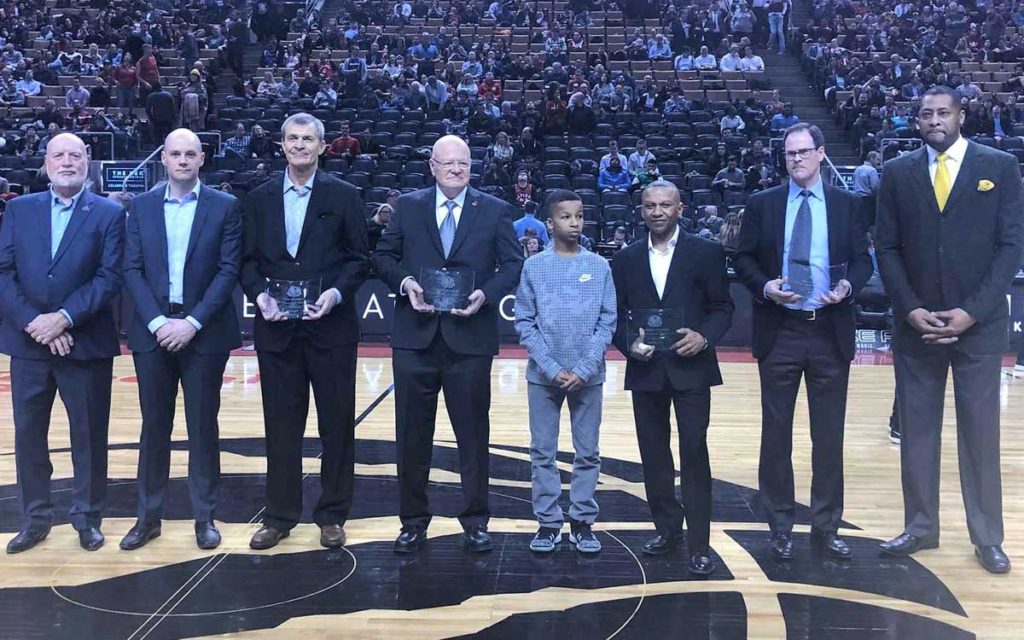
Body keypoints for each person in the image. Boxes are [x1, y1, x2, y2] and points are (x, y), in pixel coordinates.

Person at [875, 86, 1023, 574]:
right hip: (916, 326)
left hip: (977, 329)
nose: (934, 120)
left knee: (980, 434)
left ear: (962, 116)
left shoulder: (999, 166)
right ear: (916, 122)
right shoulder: (896, 173)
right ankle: (920, 527)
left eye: (943, 112)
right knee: (917, 432)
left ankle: (987, 537)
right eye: (925, 114)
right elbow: (888, 249)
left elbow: (1010, 248)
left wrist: (971, 312)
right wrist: (912, 308)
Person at [371, 135, 523, 554]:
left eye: (464, 164)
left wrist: (485, 295)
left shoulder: (493, 210)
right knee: (412, 436)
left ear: (472, 167)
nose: (456, 169)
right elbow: (383, 256)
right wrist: (405, 284)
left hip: (470, 340)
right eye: (448, 163)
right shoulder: (410, 206)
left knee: (473, 437)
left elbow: (513, 264)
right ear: (432, 166)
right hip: (415, 340)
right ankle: (413, 521)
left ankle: (475, 521)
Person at [733, 123, 873, 562]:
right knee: (776, 435)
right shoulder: (763, 204)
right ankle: (779, 525)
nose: (796, 159)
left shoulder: (848, 204)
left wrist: (848, 286)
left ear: (821, 153)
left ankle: (827, 527)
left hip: (829, 330)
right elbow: (742, 258)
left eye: (803, 151)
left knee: (827, 437)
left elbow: (863, 262)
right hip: (782, 330)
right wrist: (765, 287)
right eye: (789, 153)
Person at [241, 113, 371, 550]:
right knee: (280, 425)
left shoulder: (346, 194)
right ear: (282, 145)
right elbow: (246, 261)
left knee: (336, 425)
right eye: (293, 138)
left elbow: (358, 259)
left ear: (322, 146)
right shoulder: (257, 198)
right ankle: (279, 516)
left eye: (308, 139)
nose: (300, 145)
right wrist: (259, 295)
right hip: (276, 331)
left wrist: (335, 294)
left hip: (330, 328)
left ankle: (332, 514)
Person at [0, 134, 126, 554]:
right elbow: (4, 272)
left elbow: (109, 277)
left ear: (88, 162)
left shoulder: (110, 213)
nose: (67, 162)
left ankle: (87, 517)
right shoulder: (18, 209)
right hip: (29, 342)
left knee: (89, 435)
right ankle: (35, 518)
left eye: (76, 155)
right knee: (29, 435)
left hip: (84, 342)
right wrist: (35, 322)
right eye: (59, 155)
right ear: (46, 163)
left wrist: (64, 318)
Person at [118, 129, 241, 551]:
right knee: (154, 426)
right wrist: (156, 322)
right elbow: (131, 269)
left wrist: (191, 322)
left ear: (201, 158)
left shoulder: (225, 207)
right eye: (176, 153)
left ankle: (204, 517)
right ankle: (148, 517)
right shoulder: (142, 205)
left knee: (203, 426)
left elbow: (228, 271)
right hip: (152, 333)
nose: (183, 160)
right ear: (164, 160)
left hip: (203, 334)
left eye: (191, 153)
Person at [611, 180, 734, 574]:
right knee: (653, 456)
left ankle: (700, 542)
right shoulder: (626, 258)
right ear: (641, 210)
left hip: (692, 368)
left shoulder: (707, 252)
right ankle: (667, 529)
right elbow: (615, 316)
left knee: (694, 453)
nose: (658, 212)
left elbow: (722, 308)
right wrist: (629, 344)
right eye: (650, 206)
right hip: (646, 369)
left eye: (665, 205)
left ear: (680, 209)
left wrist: (705, 337)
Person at [515, 191, 617, 554]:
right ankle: (547, 522)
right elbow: (524, 322)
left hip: (589, 376)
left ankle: (583, 522)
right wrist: (553, 367)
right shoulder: (534, 267)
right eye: (566, 217)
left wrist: (585, 368)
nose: (574, 222)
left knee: (587, 452)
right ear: (550, 223)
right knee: (542, 451)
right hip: (543, 377)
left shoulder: (601, 266)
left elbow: (608, 322)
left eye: (579, 216)